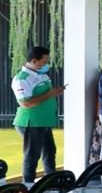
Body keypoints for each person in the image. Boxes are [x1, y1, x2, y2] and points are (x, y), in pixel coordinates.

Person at [11, 46, 63, 183]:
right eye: (44, 62)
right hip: (31, 122)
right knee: (32, 155)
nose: (46, 65)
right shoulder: (21, 79)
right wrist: (49, 94)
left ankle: (51, 181)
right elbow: (25, 103)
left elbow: (46, 94)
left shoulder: (42, 75)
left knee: (49, 152)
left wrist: (54, 92)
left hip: (44, 121)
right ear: (34, 61)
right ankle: (27, 186)